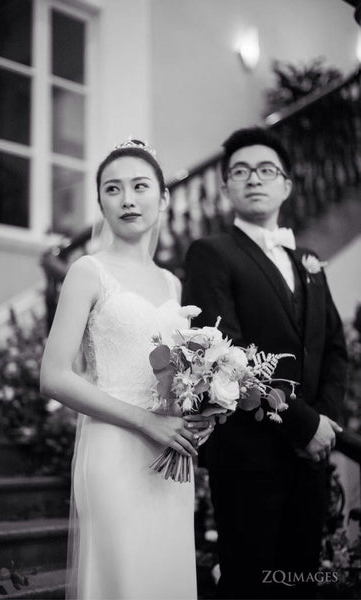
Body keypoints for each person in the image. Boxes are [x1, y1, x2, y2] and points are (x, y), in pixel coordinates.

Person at [40, 139, 213, 600]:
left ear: (163, 197)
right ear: (101, 201)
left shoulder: (172, 283)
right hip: (114, 450)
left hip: (169, 461)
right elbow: (53, 376)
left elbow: (174, 373)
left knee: (165, 578)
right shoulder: (87, 271)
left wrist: (199, 410)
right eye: (113, 189)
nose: (128, 199)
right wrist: (145, 420)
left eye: (140, 186)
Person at [182, 126, 348, 599]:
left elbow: (333, 347)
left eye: (266, 170)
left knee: (299, 580)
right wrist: (301, 424)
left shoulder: (310, 260)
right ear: (226, 186)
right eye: (241, 171)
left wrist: (324, 423)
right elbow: (224, 356)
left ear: (286, 184)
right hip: (249, 458)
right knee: (250, 583)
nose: (254, 178)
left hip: (309, 458)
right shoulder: (211, 254)